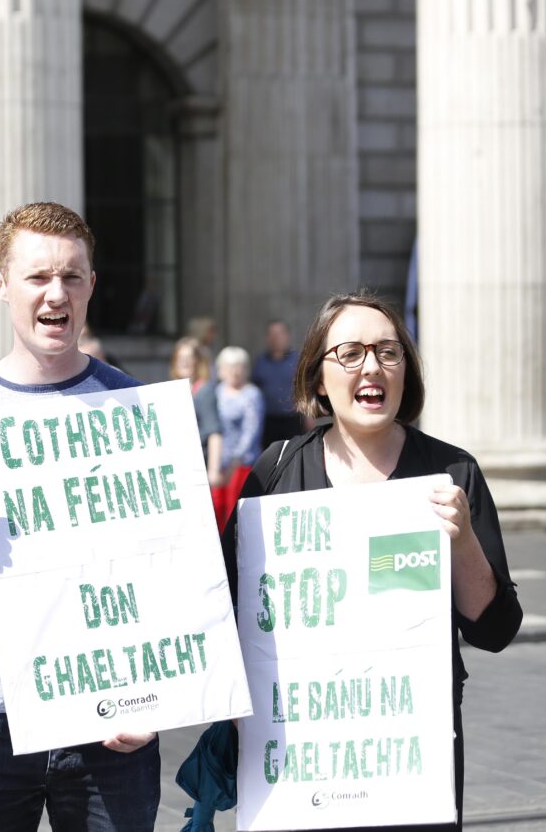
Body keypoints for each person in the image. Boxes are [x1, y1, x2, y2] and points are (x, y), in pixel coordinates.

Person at [221, 290, 523, 831]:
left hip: (410, 774)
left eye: (389, 352)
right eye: (351, 353)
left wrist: (461, 542)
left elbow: (496, 629)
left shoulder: (451, 472)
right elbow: (223, 608)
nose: (372, 367)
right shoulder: (275, 473)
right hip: (298, 767)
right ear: (317, 377)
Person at [0, 202, 160, 831]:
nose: (57, 294)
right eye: (38, 277)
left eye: (72, 277)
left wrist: (160, 696)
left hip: (111, 708)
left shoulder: (136, 408)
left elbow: (168, 564)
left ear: (92, 285)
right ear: (0, 285)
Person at [213, 346, 264, 529]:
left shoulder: (252, 394)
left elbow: (251, 431)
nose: (234, 371)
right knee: (216, 512)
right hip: (218, 463)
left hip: (241, 464)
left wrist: (235, 460)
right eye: (229, 366)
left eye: (239, 366)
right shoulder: (217, 392)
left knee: (235, 514)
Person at [171, 337, 224, 490]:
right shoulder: (174, 389)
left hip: (199, 461)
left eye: (189, 358)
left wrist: (213, 470)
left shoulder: (204, 390)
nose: (184, 362)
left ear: (197, 361)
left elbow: (214, 432)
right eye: (180, 358)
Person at [251, 318, 303, 448]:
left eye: (279, 334)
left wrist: (309, 416)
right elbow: (254, 389)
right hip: (268, 422)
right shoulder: (261, 361)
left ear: (287, 336)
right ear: (267, 338)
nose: (276, 338)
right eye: (272, 335)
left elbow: (306, 388)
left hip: (293, 420)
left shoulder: (297, 360)